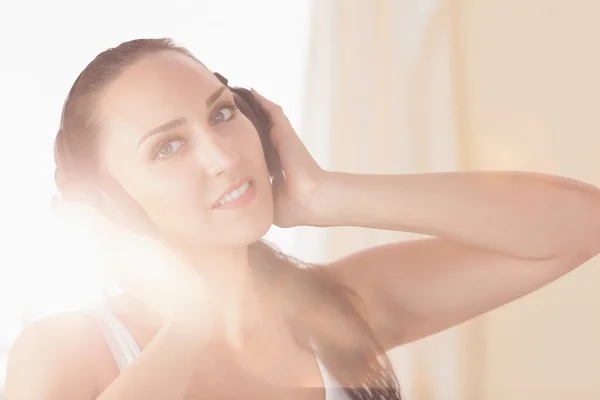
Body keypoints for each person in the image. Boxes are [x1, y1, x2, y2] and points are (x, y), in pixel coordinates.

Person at [5, 38, 600, 400]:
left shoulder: (334, 311)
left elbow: (578, 224)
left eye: (221, 115)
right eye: (167, 147)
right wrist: (188, 322)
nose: (223, 155)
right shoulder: (66, 350)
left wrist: (324, 194)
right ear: (109, 204)